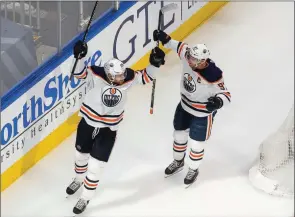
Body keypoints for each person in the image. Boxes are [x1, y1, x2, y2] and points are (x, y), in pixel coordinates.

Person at [66, 40, 166, 215]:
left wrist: (154, 64)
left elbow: (147, 76)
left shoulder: (127, 78)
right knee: (80, 156)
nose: (121, 78)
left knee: (96, 166)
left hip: (108, 129)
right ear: (109, 75)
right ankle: (78, 178)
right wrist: (79, 56)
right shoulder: (95, 74)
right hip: (88, 122)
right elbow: (77, 72)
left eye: (121, 75)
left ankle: (85, 197)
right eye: (117, 76)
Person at [153, 30, 232, 187]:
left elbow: (226, 95)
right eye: (190, 57)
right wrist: (164, 38)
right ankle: (178, 162)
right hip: (184, 106)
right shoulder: (187, 55)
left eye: (194, 59)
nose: (190, 60)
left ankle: (193, 169)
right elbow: (177, 45)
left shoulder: (213, 74)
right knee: (178, 136)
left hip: (202, 113)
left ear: (203, 61)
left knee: (197, 144)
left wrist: (218, 102)